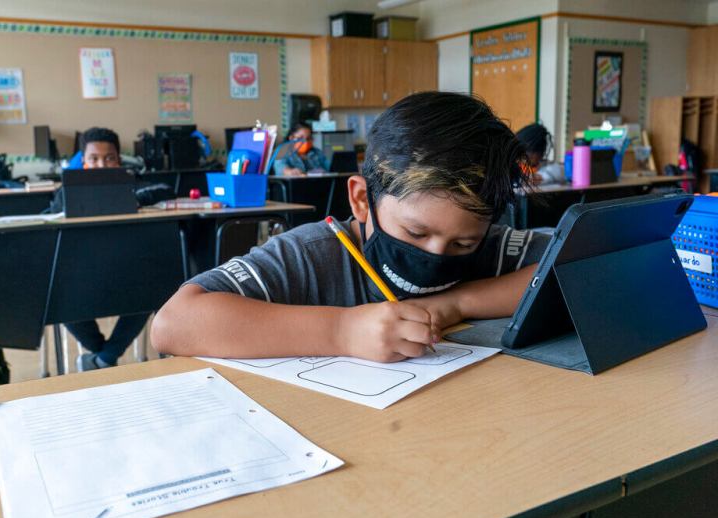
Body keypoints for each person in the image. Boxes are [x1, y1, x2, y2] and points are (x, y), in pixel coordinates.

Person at [151, 92, 549, 363]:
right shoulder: (312, 255)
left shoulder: (492, 247)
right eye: (414, 233)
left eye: (463, 243)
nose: (436, 254)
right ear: (361, 200)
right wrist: (342, 331)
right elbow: (173, 324)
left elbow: (575, 266)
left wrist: (455, 303)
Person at [56, 127, 150, 371]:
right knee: (57, 296)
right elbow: (50, 215)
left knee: (153, 288)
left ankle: (102, 360)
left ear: (118, 160)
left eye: (108, 158)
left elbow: (163, 191)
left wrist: (135, 199)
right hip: (81, 273)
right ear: (84, 163)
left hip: (125, 269)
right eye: (94, 159)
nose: (101, 165)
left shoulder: (132, 186)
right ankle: (105, 356)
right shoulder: (66, 192)